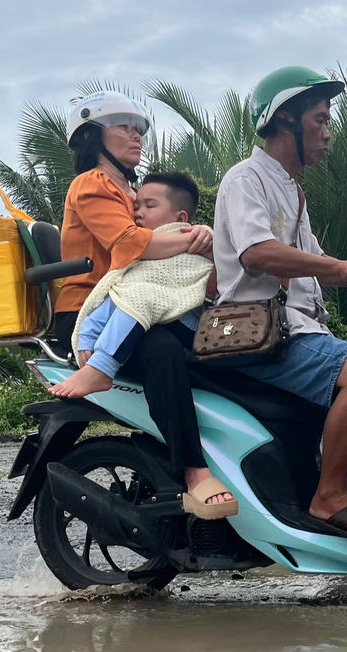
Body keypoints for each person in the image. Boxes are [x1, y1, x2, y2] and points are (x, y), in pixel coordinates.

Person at [212, 67, 347, 538]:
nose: (328, 131)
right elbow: (256, 253)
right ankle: (328, 496)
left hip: (294, 326)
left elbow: (314, 261)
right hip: (257, 329)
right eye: (320, 119)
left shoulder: (292, 190)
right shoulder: (245, 179)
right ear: (285, 121)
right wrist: (339, 268)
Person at [54, 91, 235, 519]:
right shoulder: (92, 185)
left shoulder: (133, 192)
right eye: (124, 127)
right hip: (92, 312)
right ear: (93, 136)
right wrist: (197, 238)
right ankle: (194, 472)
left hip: (140, 306)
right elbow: (130, 246)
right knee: (166, 351)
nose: (136, 136)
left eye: (140, 129)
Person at [49, 173, 211, 400]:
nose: (138, 213)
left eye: (150, 205)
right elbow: (118, 295)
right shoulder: (148, 246)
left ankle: (102, 367)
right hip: (157, 315)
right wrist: (88, 333)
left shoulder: (191, 240)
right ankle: (98, 366)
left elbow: (213, 256)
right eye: (136, 207)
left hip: (189, 323)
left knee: (141, 295)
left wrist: (204, 235)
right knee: (128, 292)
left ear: (181, 217)